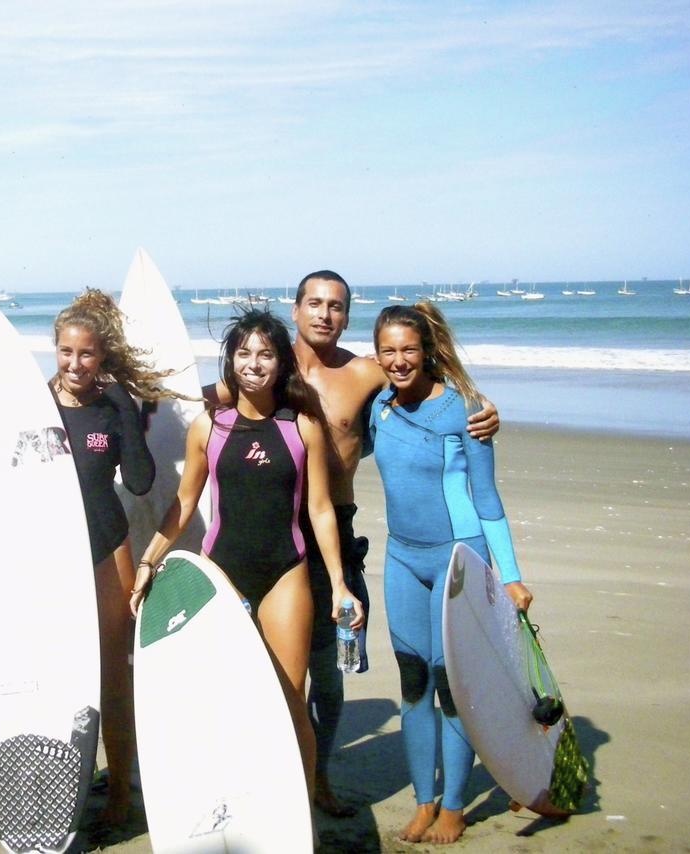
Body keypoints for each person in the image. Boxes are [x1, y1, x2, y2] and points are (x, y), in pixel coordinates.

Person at [207, 271, 500, 816]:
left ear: (347, 316)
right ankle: (257, 770)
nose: (324, 314)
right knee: (256, 659)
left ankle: (318, 778)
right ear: (295, 310)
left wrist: (480, 412)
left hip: (333, 528)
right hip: (267, 528)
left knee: (331, 662)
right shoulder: (265, 363)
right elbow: (199, 406)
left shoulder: (366, 373)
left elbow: (425, 386)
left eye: (336, 306)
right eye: (314, 303)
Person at [0, 289, 176, 824]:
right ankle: (55, 779)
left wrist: (127, 410)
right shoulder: (32, 404)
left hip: (107, 548)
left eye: (86, 354)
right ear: (54, 351)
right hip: (45, 554)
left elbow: (140, 480)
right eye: (65, 352)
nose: (75, 364)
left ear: (101, 355)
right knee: (53, 670)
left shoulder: (111, 407)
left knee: (114, 675)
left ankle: (123, 791)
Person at [130, 308, 365, 810]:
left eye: (265, 354)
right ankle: (234, 800)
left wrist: (341, 584)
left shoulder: (303, 427)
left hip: (286, 571)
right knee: (226, 698)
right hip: (223, 573)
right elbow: (185, 502)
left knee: (289, 699)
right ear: (231, 361)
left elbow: (321, 509)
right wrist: (150, 560)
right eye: (244, 353)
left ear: (281, 364)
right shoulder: (208, 427)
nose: (254, 363)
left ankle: (299, 816)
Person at [369, 302, 531, 844]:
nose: (398, 360)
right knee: (413, 680)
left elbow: (487, 498)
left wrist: (509, 574)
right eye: (387, 350)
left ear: (427, 351)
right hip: (401, 557)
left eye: (408, 349)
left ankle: (456, 806)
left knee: (451, 684)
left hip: (458, 558)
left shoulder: (467, 410)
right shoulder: (380, 409)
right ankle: (424, 799)